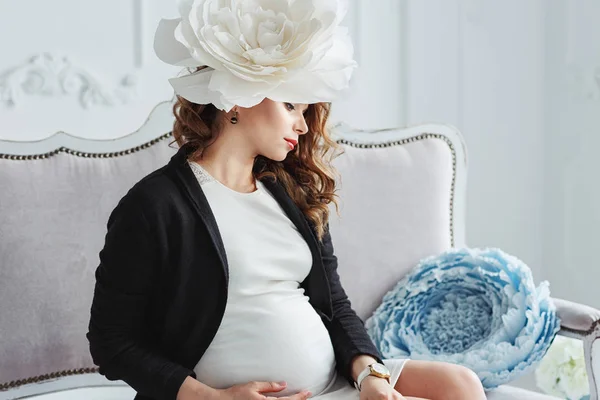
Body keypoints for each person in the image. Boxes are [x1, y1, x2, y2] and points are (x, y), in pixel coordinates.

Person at [86, 1, 487, 400]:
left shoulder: (294, 193)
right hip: (225, 398)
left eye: (307, 110)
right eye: (291, 105)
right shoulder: (155, 205)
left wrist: (370, 377)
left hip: (334, 382)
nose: (302, 124)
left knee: (461, 385)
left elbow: (335, 306)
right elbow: (111, 341)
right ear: (239, 98)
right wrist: (213, 398)